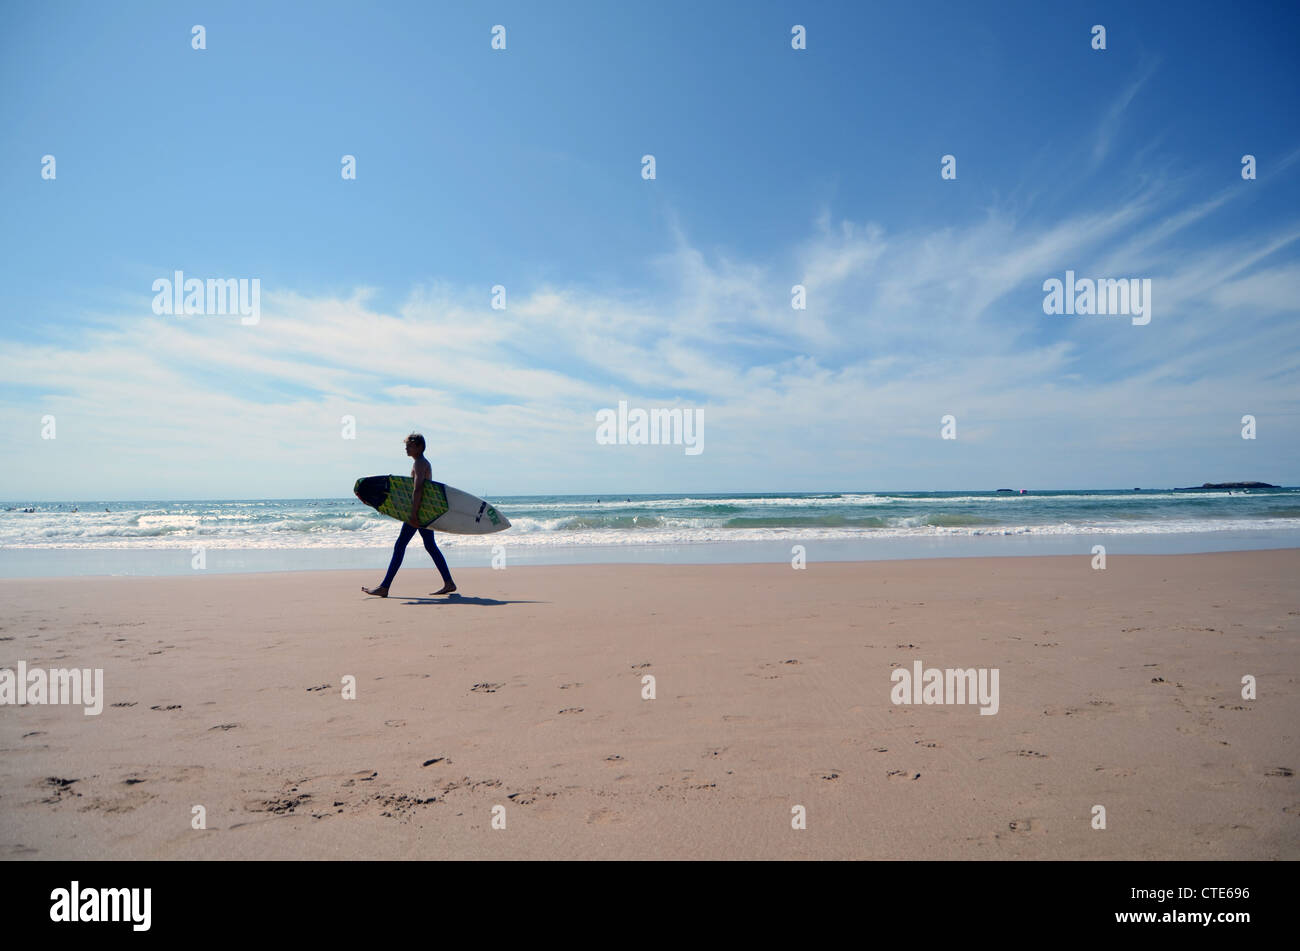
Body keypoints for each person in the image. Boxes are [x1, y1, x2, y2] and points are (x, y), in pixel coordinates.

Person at [362, 433, 457, 598]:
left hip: (418, 513)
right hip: (423, 511)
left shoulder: (420, 464)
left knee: (400, 546)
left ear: (419, 447)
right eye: (406, 446)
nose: (406, 448)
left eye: (409, 446)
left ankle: (385, 587)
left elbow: (418, 488)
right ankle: (448, 582)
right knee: (429, 546)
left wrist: (413, 514)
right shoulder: (419, 463)